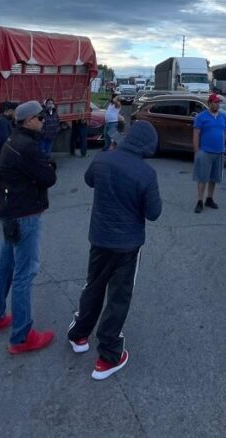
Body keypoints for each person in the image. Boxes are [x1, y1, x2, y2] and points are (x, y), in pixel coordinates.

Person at [67, 121, 162, 380]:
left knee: (93, 286)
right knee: (118, 296)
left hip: (99, 238)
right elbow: (154, 213)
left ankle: (79, 335)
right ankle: (108, 356)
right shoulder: (146, 173)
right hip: (128, 244)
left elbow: (89, 180)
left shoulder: (103, 159)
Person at [0, 101, 57, 354]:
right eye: (39, 117)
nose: (43, 121)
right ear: (27, 121)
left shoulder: (13, 141)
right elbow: (48, 177)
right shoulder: (27, 146)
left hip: (10, 211)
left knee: (5, 265)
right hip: (25, 212)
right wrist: (48, 166)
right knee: (25, 273)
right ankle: (22, 336)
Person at [193, 93, 226, 213]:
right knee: (202, 178)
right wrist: (197, 152)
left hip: (219, 151)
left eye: (218, 102)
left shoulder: (222, 117)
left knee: (214, 178)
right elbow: (196, 135)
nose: (217, 104)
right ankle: (199, 201)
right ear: (209, 103)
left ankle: (209, 198)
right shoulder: (201, 117)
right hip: (205, 152)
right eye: (215, 102)